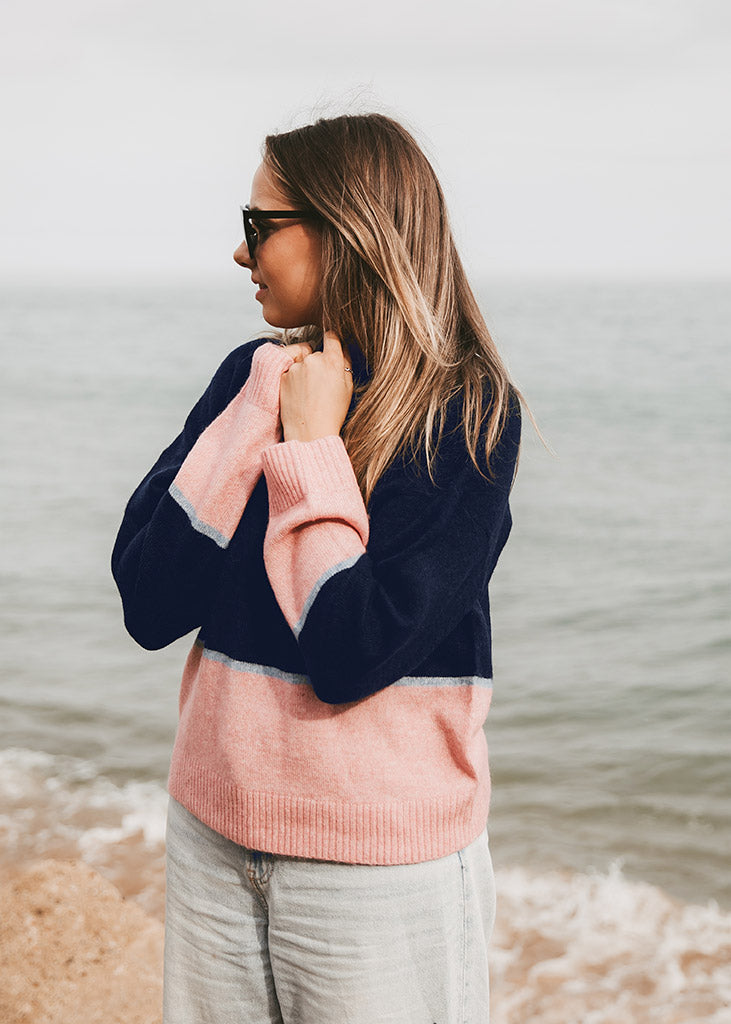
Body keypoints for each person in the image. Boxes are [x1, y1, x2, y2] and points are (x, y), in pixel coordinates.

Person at [112, 112, 522, 1024]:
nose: (238, 250)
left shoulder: (464, 413)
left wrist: (307, 447)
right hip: (213, 833)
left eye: (260, 225)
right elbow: (147, 597)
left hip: (377, 868)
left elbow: (351, 648)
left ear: (344, 229)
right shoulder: (249, 377)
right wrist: (261, 405)